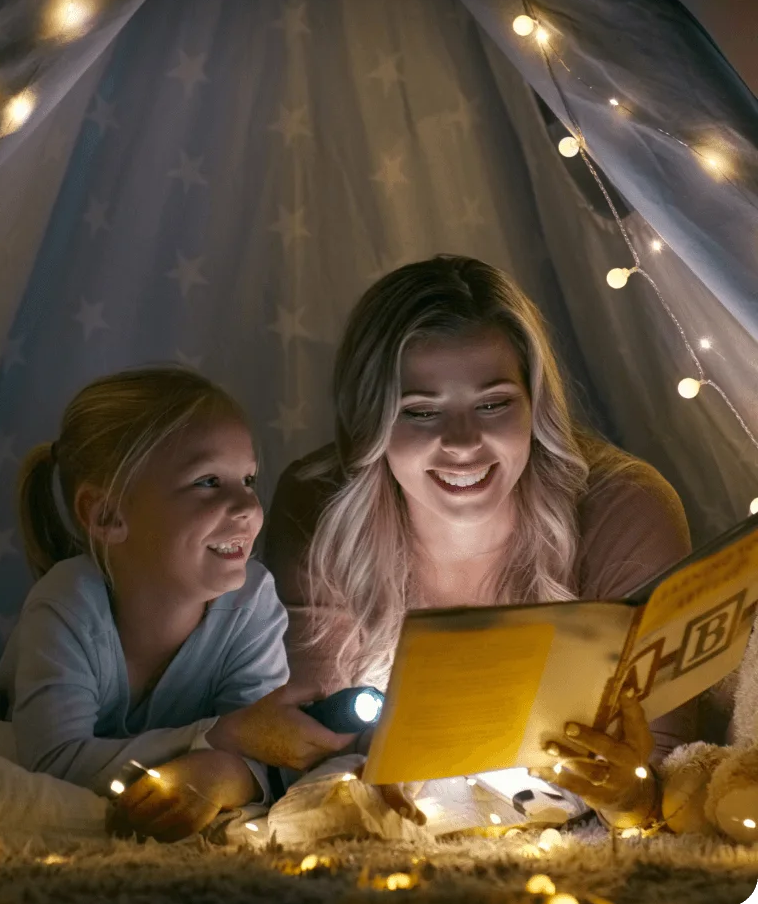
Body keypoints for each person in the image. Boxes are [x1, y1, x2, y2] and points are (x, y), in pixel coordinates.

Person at [263, 255, 696, 829]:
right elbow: (308, 743)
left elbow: (664, 770)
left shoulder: (625, 508)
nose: (462, 442)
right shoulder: (319, 506)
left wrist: (632, 799)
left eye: (493, 403)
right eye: (420, 411)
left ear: (535, 404)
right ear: (372, 422)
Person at [0, 366, 354, 842]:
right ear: (109, 515)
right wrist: (220, 738)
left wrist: (223, 770)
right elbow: (55, 760)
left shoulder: (252, 601)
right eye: (208, 481)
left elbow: (262, 742)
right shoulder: (66, 604)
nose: (248, 508)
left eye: (249, 480)